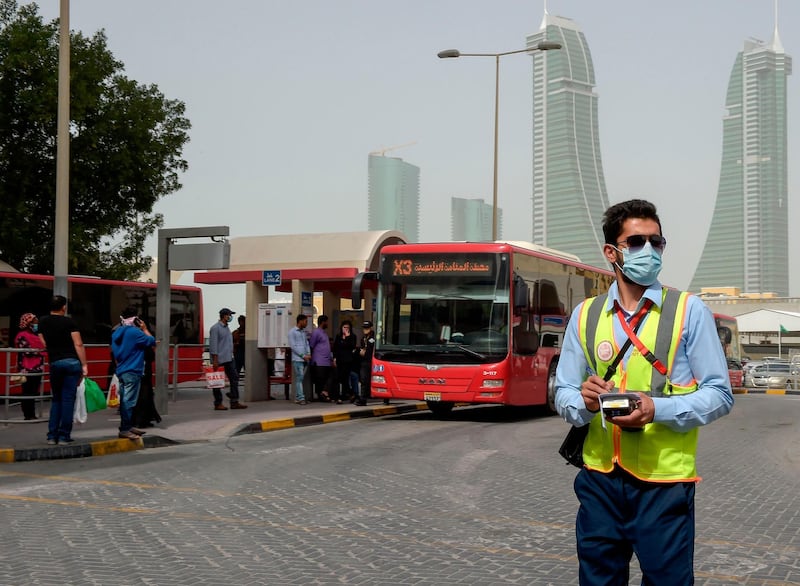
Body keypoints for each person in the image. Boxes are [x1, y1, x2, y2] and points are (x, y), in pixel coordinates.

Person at [554, 199, 734, 585]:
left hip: (664, 485)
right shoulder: (585, 315)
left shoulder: (689, 310)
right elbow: (563, 390)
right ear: (611, 252)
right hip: (600, 480)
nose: (649, 252)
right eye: (636, 242)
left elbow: (720, 393)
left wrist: (657, 409)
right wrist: (583, 405)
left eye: (657, 242)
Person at [38, 295, 88, 445]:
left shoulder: (43, 321)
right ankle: (64, 436)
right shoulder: (69, 322)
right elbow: (78, 344)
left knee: (57, 400)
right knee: (67, 400)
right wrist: (84, 365)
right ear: (63, 307)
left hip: (55, 362)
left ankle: (51, 436)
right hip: (72, 363)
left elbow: (43, 341)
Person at [111, 307, 157, 440]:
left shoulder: (116, 333)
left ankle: (127, 426)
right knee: (129, 402)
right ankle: (125, 429)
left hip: (122, 369)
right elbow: (152, 341)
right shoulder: (135, 333)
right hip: (133, 370)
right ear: (136, 319)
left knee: (125, 400)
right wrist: (144, 328)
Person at [208, 307, 248, 411]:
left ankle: (234, 401)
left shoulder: (226, 328)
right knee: (217, 382)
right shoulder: (215, 328)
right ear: (224, 316)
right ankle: (218, 403)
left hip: (229, 358)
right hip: (219, 359)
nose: (230, 317)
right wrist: (215, 360)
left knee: (234, 378)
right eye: (229, 315)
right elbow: (213, 346)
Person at [14, 313, 45, 420]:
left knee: (34, 391)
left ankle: (32, 414)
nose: (37, 323)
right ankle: (28, 415)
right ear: (28, 323)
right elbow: (27, 351)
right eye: (35, 321)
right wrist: (41, 350)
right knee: (27, 391)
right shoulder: (21, 335)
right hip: (27, 369)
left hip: (37, 368)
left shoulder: (37, 336)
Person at [133, 322, 161, 429]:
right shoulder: (139, 336)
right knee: (143, 395)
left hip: (142, 369)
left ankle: (142, 419)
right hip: (142, 370)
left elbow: (153, 345)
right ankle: (140, 420)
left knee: (144, 394)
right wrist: (144, 329)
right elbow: (153, 344)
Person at [309, 315, 333, 402]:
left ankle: (324, 393)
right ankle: (321, 395)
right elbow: (311, 345)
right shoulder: (316, 332)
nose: (327, 323)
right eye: (327, 322)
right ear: (323, 322)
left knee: (330, 377)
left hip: (326, 361)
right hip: (319, 361)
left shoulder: (324, 333)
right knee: (320, 380)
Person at [332, 320, 358, 402]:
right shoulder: (338, 336)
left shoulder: (352, 336)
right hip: (339, 360)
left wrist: (347, 337)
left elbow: (351, 346)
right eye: (344, 327)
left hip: (348, 360)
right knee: (340, 378)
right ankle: (350, 394)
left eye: (347, 327)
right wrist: (335, 358)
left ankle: (344, 395)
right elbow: (336, 348)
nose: (346, 329)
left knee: (345, 378)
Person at [288, 313, 311, 405]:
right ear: (300, 321)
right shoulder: (292, 332)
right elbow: (293, 346)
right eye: (305, 321)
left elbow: (306, 344)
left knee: (300, 378)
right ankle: (301, 398)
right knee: (299, 378)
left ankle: (298, 397)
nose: (306, 323)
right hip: (298, 359)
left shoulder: (303, 332)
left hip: (305, 358)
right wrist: (302, 355)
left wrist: (308, 353)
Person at [359, 320, 379, 405]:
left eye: (367, 328)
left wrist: (364, 352)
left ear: (370, 328)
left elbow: (370, 350)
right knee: (364, 379)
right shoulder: (364, 338)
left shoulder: (373, 338)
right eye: (364, 328)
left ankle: (385, 397)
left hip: (373, 361)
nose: (365, 330)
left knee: (376, 379)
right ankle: (363, 398)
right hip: (365, 361)